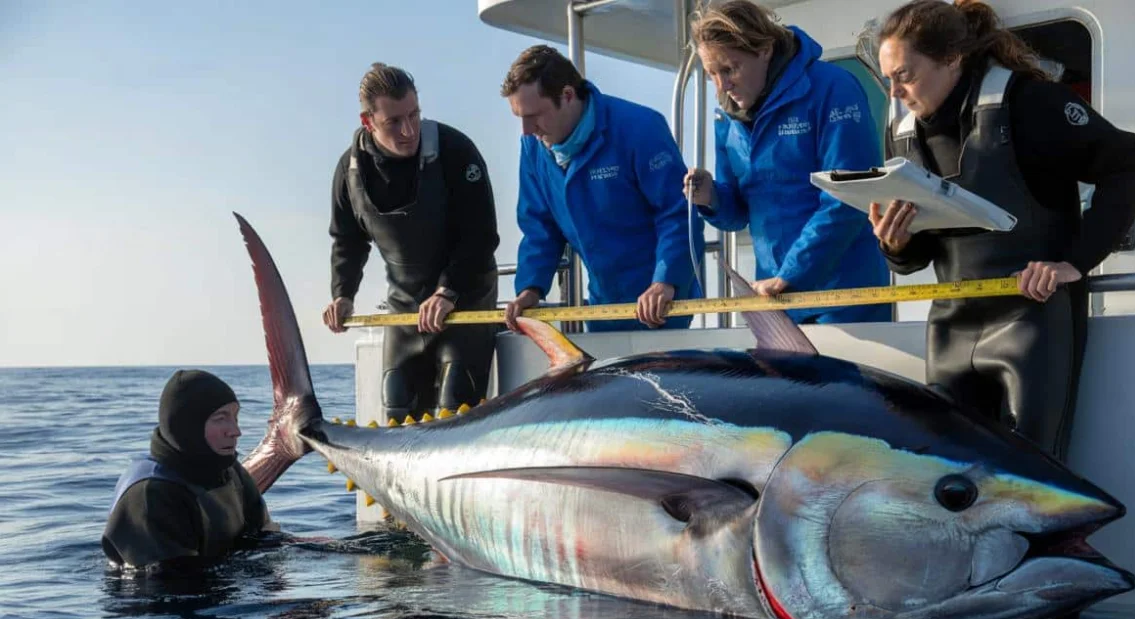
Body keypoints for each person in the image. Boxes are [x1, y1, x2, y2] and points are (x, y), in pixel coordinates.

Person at [871, 0, 1135, 460]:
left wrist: (1075, 262)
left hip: (1032, 317)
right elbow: (917, 255)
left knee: (1032, 478)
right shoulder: (902, 130)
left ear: (950, 59)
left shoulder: (1030, 103)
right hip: (951, 324)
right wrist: (896, 245)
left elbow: (1127, 164)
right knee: (949, 473)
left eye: (905, 74)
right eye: (888, 79)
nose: (896, 91)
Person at [683, 0, 891, 325]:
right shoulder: (726, 116)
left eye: (729, 68)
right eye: (712, 74)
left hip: (843, 297)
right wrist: (711, 197)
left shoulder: (833, 88)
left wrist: (791, 275)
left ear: (765, 50)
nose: (721, 86)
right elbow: (738, 214)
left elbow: (849, 198)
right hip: (775, 298)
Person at [324, 63, 501, 422]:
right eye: (394, 122)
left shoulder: (455, 150)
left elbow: (481, 235)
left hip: (465, 298)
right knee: (396, 402)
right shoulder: (350, 170)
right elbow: (347, 240)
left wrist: (447, 292)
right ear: (367, 121)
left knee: (457, 405)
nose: (408, 131)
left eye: (414, 115)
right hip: (404, 306)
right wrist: (343, 294)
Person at [500, 45, 705, 333]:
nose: (526, 129)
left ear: (568, 95)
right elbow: (540, 228)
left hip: (665, 302)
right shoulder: (532, 147)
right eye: (519, 117)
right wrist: (530, 289)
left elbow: (677, 213)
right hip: (603, 306)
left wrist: (665, 281)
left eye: (534, 115)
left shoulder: (640, 128)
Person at [102, 370, 275, 571]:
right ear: (188, 425)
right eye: (220, 418)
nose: (235, 431)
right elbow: (173, 587)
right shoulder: (150, 495)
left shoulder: (229, 471)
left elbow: (263, 537)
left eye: (235, 417)